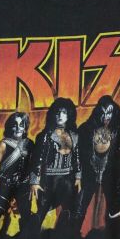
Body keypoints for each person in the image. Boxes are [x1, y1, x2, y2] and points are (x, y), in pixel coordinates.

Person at [29, 98, 82, 230]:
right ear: (53, 114)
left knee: (70, 211)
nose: (60, 115)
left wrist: (78, 177)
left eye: (64, 112)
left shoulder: (74, 135)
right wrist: (34, 181)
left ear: (69, 115)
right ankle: (33, 238)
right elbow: (37, 159)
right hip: (48, 180)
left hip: (68, 178)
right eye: (57, 112)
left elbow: (77, 157)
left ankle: (65, 237)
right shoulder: (45, 135)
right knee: (41, 211)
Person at [75, 95, 120, 235]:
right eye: (103, 112)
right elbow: (78, 153)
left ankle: (114, 236)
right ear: (97, 112)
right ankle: (73, 234)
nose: (106, 116)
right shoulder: (86, 129)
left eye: (109, 112)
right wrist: (79, 174)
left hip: (110, 175)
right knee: (80, 207)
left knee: (113, 209)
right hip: (89, 174)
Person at [0, 111, 34, 235]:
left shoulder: (29, 144)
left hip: (23, 186)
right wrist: (5, 177)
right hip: (6, 185)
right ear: (10, 126)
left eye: (21, 125)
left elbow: (34, 165)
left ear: (25, 128)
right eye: (14, 125)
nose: (18, 128)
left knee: (26, 217)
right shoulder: (3, 144)